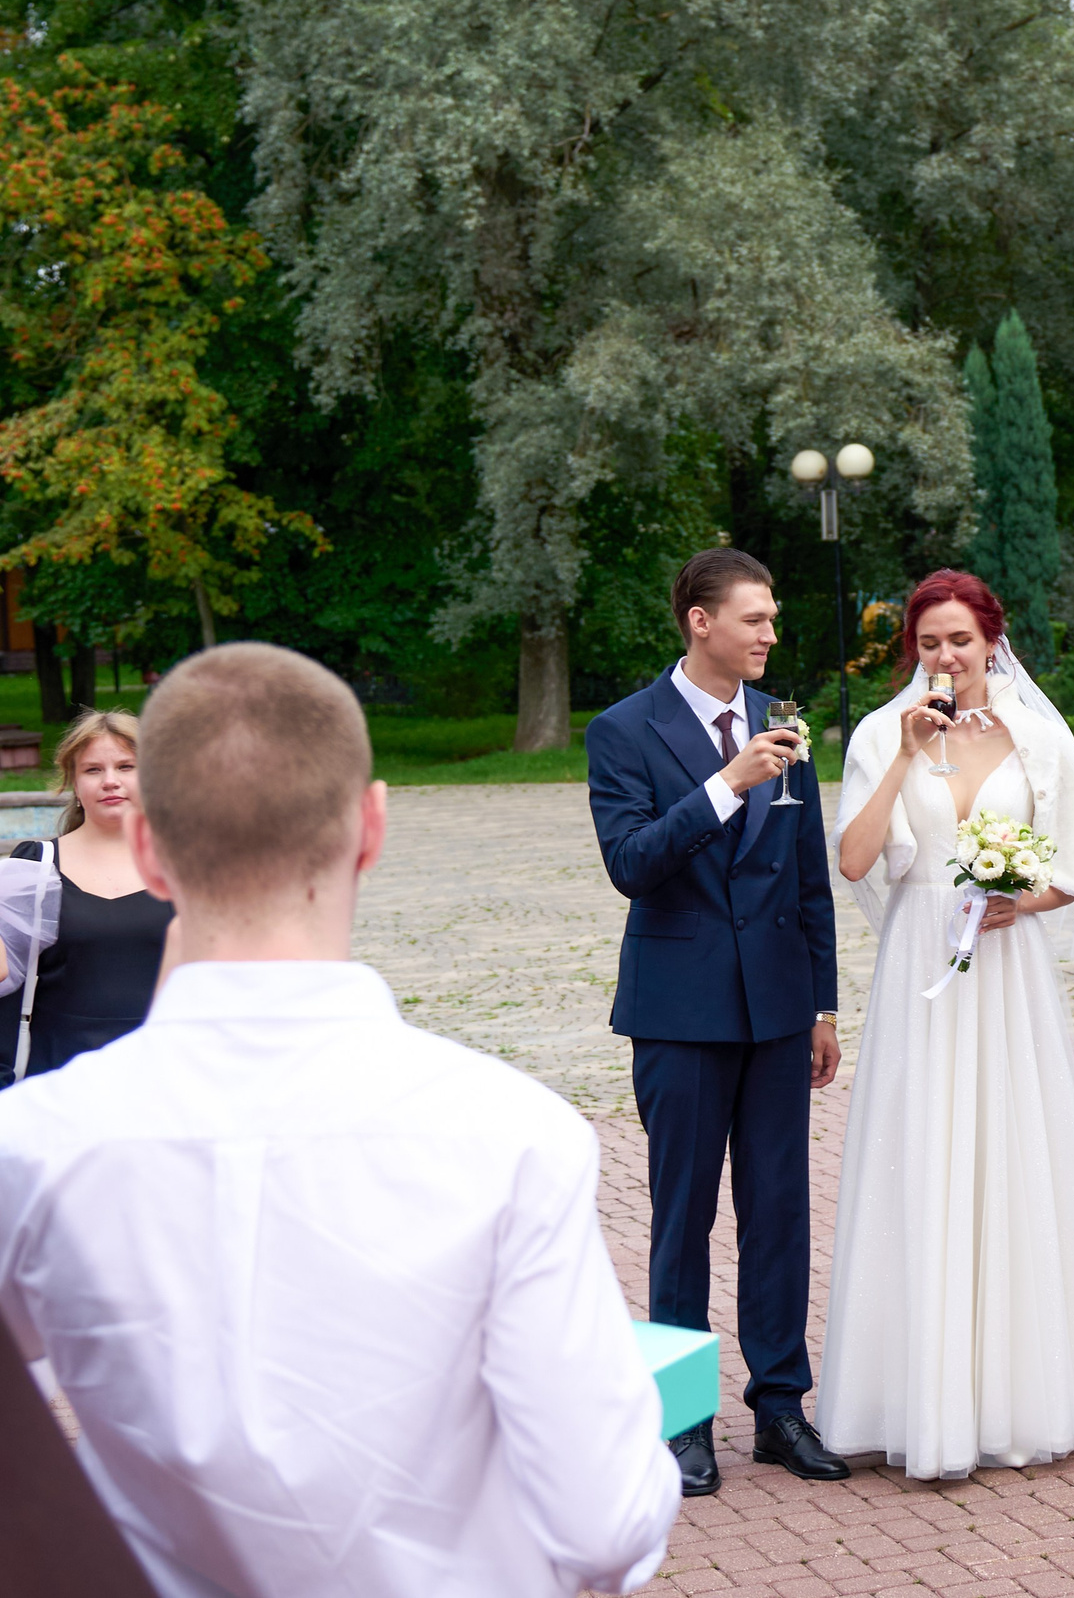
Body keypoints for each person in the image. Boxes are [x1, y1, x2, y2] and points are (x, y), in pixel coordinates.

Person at [0, 643, 678, 1595]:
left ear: (149, 847)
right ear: (371, 827)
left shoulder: (35, 1144)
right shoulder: (515, 1136)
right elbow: (603, 1524)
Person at [815, 570, 1074, 1478]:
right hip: (921, 962)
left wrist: (1021, 901)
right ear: (911, 652)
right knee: (918, 1155)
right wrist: (907, 757)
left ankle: (1023, 1393)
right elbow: (853, 860)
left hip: (1005, 971)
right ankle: (910, 1395)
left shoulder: (1037, 736)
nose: (945, 657)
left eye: (959, 641)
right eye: (928, 643)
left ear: (991, 641)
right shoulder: (884, 733)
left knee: (1011, 1152)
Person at [585, 548, 847, 1497]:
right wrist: (725, 782)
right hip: (679, 1011)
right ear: (700, 621)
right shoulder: (623, 730)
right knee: (682, 1218)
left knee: (778, 1213)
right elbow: (631, 862)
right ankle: (682, 1423)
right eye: (755, 619)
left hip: (777, 1009)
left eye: (773, 619)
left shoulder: (787, 727)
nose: (771, 634)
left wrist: (820, 1003)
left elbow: (809, 874)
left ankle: (781, 1407)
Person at [0, 710, 174, 1085]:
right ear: (74, 784)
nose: (110, 781)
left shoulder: (190, 868)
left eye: (126, 766)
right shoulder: (33, 866)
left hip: (166, 1078)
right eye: (93, 770)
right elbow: (4, 978)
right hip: (57, 1077)